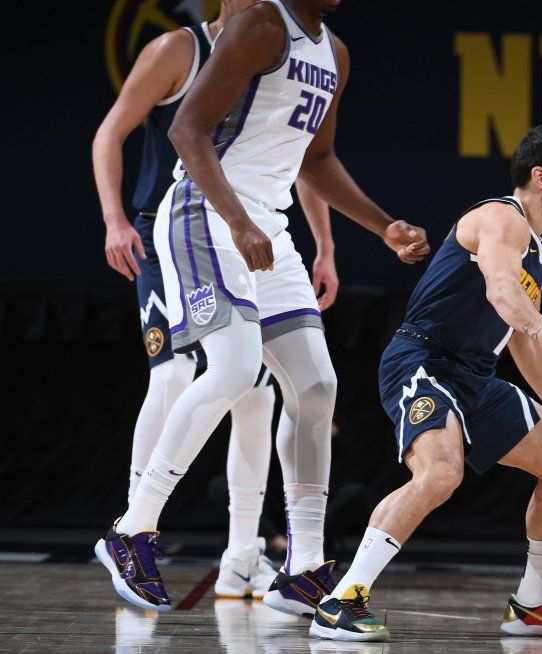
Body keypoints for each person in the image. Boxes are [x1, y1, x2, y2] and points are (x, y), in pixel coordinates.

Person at [94, 0, 430, 614]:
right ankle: (131, 529)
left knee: (316, 384)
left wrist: (382, 227)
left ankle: (303, 567)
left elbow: (318, 160)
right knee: (230, 368)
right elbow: (184, 130)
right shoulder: (262, 24)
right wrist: (237, 219)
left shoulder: (336, 52)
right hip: (204, 213)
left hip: (265, 226)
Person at [308, 126, 542, 642]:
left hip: (474, 376)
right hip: (423, 359)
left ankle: (534, 603)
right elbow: (499, 291)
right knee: (440, 474)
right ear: (541, 177)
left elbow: (518, 335)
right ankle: (341, 601)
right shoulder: (498, 218)